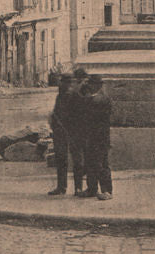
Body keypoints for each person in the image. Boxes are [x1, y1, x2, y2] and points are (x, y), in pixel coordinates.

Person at [78, 74, 113, 200]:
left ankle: (107, 191)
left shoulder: (101, 99)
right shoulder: (93, 98)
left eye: (91, 84)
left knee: (101, 165)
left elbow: (89, 113)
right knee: (90, 164)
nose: (88, 86)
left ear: (97, 85)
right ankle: (92, 189)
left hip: (99, 138)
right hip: (91, 137)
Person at [47, 72, 73, 195]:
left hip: (68, 131)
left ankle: (76, 188)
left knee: (75, 160)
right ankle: (61, 187)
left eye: (63, 82)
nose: (60, 84)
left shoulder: (70, 96)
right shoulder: (60, 95)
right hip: (59, 132)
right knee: (60, 159)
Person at [69, 67, 88, 195]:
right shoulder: (74, 93)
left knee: (80, 161)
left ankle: (80, 187)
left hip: (81, 131)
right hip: (79, 131)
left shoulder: (80, 92)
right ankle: (79, 187)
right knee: (79, 161)